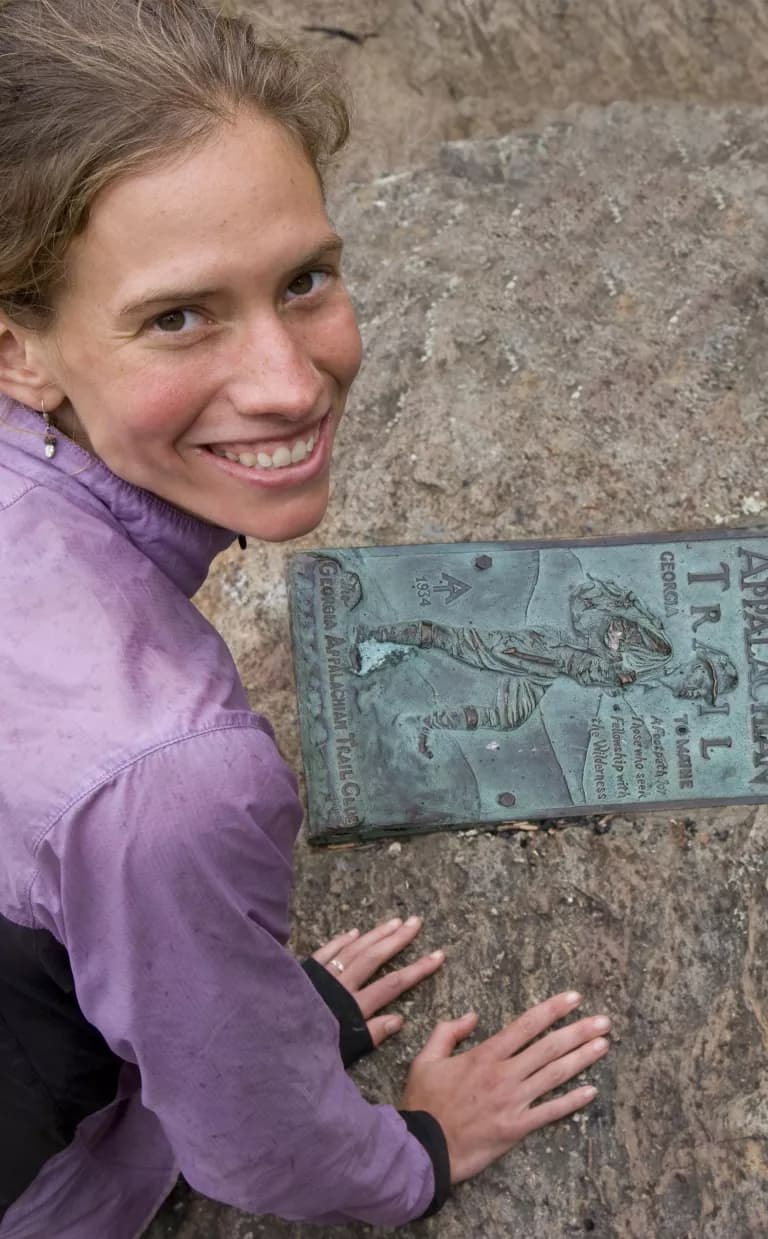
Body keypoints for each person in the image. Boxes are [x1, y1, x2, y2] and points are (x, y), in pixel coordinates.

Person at [0, 2, 612, 1235]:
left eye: (305, 281)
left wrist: (230, 996)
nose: (289, 381)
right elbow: (253, 1145)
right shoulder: (174, 779)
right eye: (181, 315)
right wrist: (415, 1153)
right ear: (22, 350)